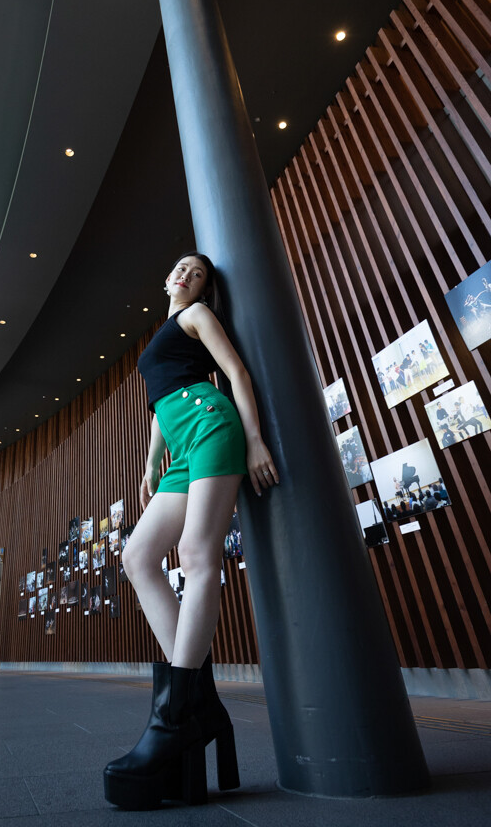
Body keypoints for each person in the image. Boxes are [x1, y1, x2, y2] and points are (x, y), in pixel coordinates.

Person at [103, 253, 278, 811]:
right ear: (166, 278)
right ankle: (197, 701)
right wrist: (150, 458)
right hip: (180, 446)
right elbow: (161, 399)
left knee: (197, 555)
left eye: (197, 273)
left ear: (204, 289)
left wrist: (254, 439)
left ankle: (176, 714)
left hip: (211, 425)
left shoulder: (197, 315)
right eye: (180, 268)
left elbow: (236, 373)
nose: (185, 275)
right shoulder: (164, 332)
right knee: (137, 557)